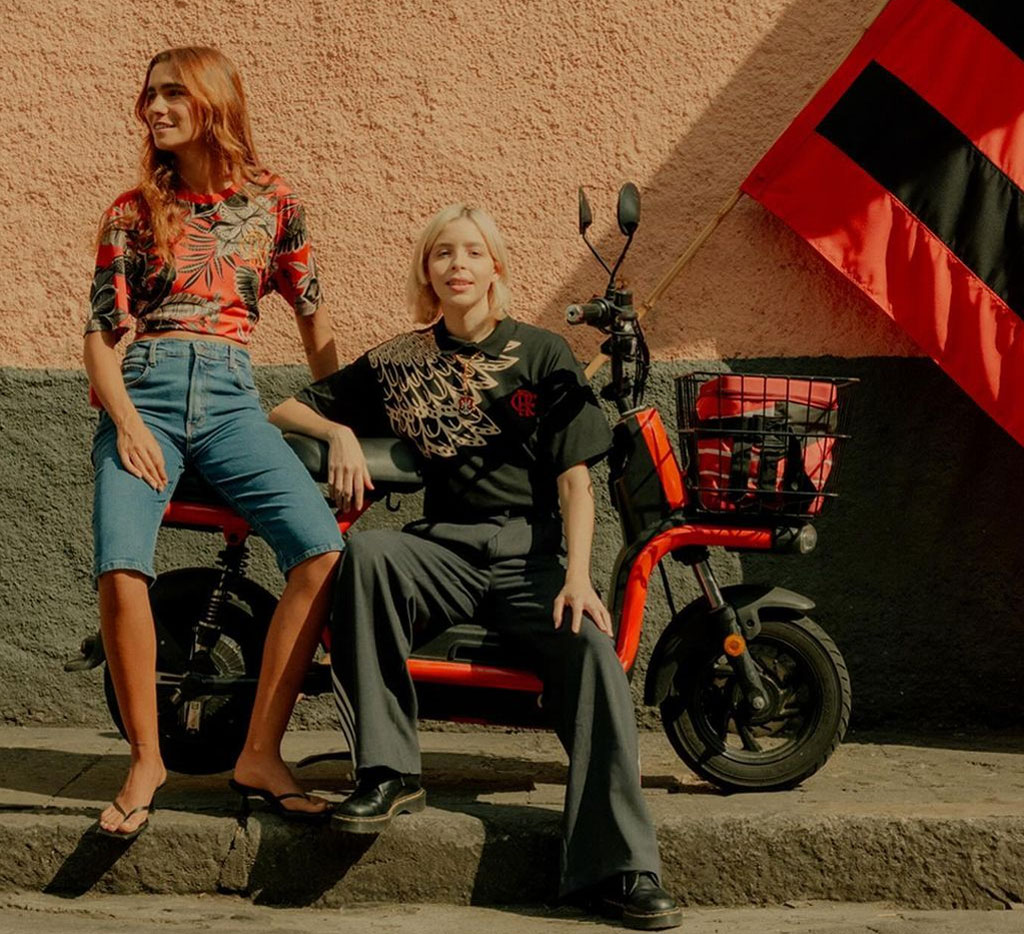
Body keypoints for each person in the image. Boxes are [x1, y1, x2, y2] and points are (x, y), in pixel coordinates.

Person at [268, 204, 683, 930]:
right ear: (427, 273)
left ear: (495, 268)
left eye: (471, 252)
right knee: (367, 554)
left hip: (532, 557)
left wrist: (579, 578)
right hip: (444, 549)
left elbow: (575, 481)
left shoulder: (544, 353)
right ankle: (388, 773)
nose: (457, 264)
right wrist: (338, 431)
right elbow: (284, 410)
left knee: (592, 652)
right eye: (442, 254)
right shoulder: (400, 361)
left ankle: (619, 868)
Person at [84, 46, 343, 837]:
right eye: (149, 95)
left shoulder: (274, 203)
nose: (155, 108)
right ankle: (146, 761)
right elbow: (100, 337)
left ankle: (259, 754)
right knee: (121, 562)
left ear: (214, 102)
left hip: (233, 400)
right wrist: (128, 425)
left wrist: (342, 424)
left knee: (322, 550)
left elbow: (314, 321)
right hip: (148, 392)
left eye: (173, 93)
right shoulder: (132, 212)